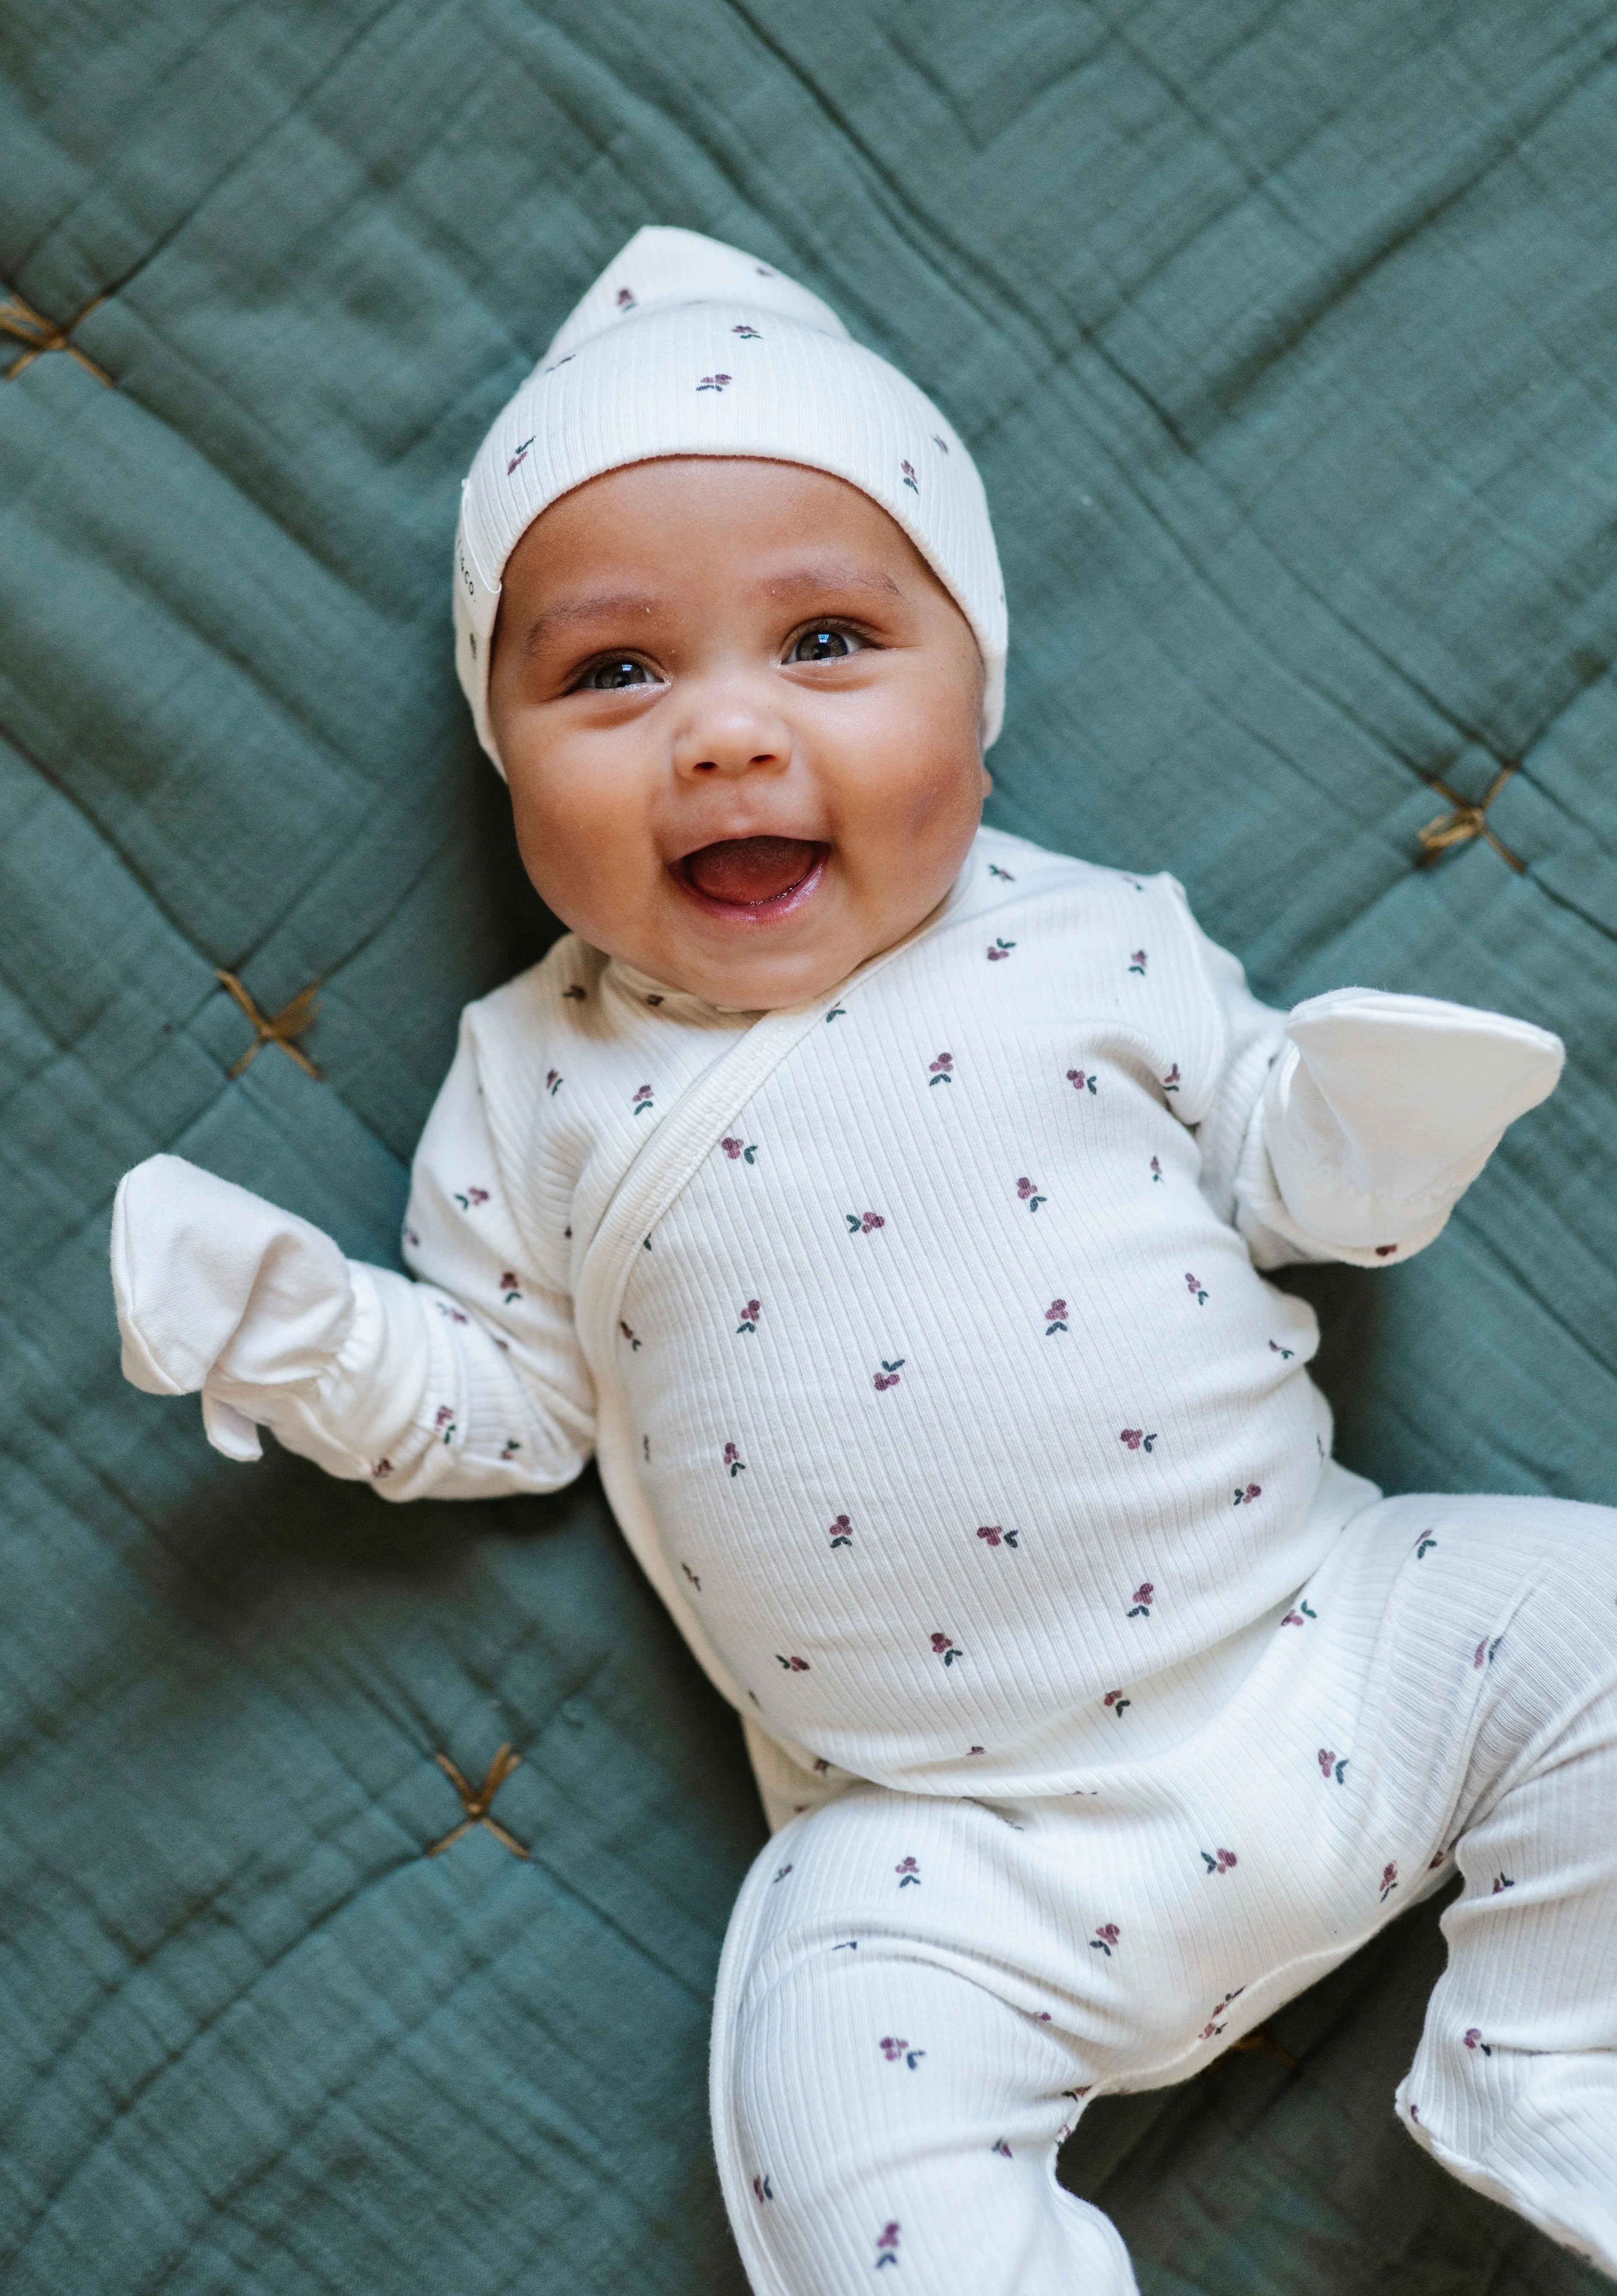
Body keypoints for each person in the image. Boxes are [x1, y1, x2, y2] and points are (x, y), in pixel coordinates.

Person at [110, 228, 1617, 2293]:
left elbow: (1277, 1175)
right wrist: (304, 1342)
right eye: (613, 673)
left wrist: (1368, 1125)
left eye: (826, 643)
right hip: (950, 1854)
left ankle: (1553, 2044)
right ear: (504, 757)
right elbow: (514, 1409)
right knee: (815, 2083)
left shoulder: (1093, 933)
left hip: (1324, 1648)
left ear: (977, 692)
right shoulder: (536, 1081)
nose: (725, 737)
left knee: (1600, 1621)